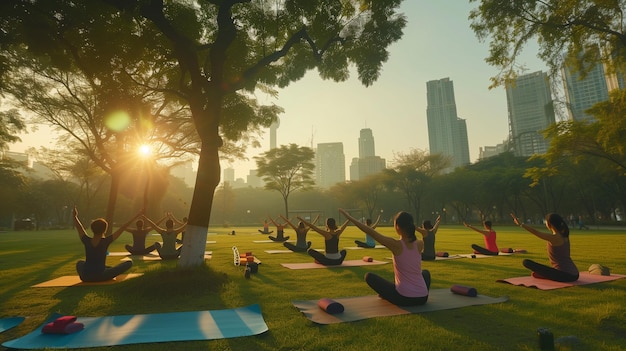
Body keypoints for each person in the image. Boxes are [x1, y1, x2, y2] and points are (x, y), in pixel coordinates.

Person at [340, 209, 430, 306]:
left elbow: (371, 232)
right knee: (425, 273)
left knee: (369, 276)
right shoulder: (420, 244)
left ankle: (388, 294)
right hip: (423, 298)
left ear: (398, 227)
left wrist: (349, 218)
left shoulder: (396, 245)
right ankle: (411, 292)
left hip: (405, 298)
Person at [73, 207, 140, 282]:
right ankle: (108, 269)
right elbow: (123, 227)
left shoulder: (86, 240)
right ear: (105, 230)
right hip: (101, 276)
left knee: (79, 263)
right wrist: (136, 216)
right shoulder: (105, 241)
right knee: (129, 263)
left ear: (92, 229)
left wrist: (75, 216)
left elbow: (80, 228)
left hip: (85, 277)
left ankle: (106, 269)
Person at [511, 213, 579, 282]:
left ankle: (547, 275)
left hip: (566, 275)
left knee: (526, 262)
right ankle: (547, 275)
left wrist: (521, 224)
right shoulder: (564, 235)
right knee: (542, 270)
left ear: (549, 224)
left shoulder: (555, 238)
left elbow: (536, 232)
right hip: (575, 274)